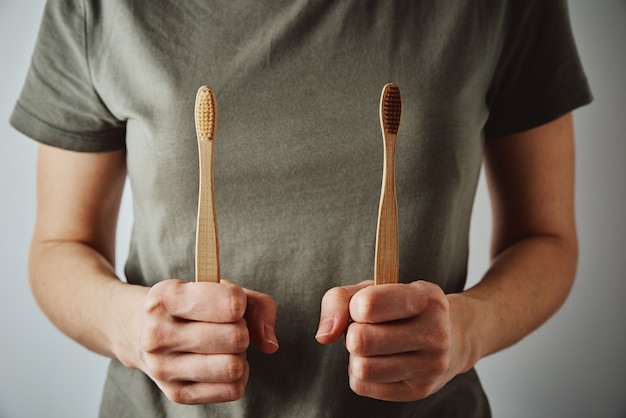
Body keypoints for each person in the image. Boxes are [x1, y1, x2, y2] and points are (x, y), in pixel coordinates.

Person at [10, 0, 592, 416]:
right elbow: (60, 244)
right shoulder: (96, 8)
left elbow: (545, 238)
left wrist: (469, 329)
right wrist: (130, 328)